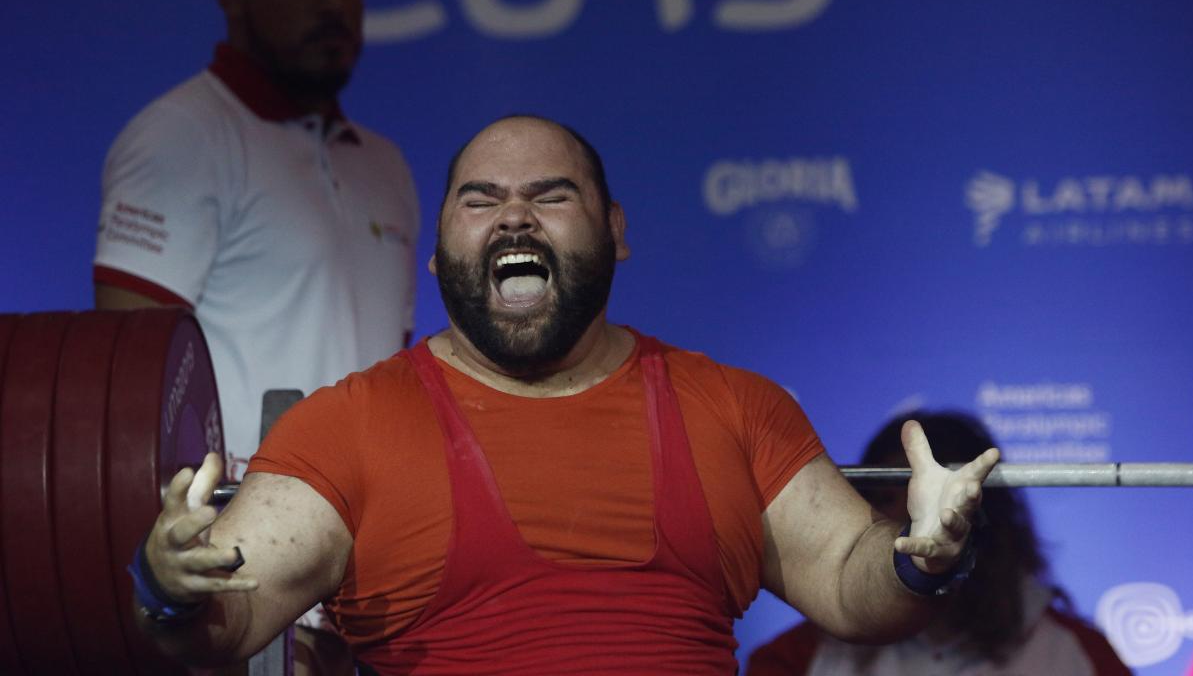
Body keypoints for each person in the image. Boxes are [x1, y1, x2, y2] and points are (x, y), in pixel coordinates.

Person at [131, 115, 999, 674]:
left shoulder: (735, 407)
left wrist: (923, 559)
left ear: (615, 233)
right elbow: (223, 623)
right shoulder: (346, 427)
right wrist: (169, 586)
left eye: (551, 195)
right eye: (481, 201)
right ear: (437, 252)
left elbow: (853, 589)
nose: (515, 219)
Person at [94, 0, 418, 671]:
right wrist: (214, 580)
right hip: (233, 594)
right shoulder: (178, 139)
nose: (333, 5)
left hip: (367, 592)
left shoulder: (387, 167)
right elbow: (126, 412)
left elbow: (395, 396)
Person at [747, 410, 1131, 676]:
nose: (919, 529)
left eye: (939, 503)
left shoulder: (1078, 653)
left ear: (984, 513)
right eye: (880, 498)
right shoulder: (795, 659)